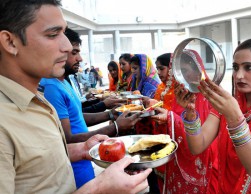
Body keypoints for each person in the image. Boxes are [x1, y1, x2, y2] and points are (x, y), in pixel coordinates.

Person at [0, 0, 151, 193]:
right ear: (10, 42)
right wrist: (99, 189)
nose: (66, 46)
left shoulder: (38, 99)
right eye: (53, 34)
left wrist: (81, 150)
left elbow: (34, 163)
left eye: (63, 33)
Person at [176, 38, 251, 193]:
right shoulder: (229, 104)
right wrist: (190, 113)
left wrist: (234, 118)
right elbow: (197, 146)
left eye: (249, 67)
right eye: (235, 67)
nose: (239, 75)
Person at [40, 28, 142, 188]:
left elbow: (78, 116)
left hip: (84, 160)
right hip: (74, 165)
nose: (79, 58)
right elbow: (66, 138)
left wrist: (109, 115)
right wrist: (115, 127)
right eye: (74, 52)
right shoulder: (51, 87)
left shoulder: (64, 82)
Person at [146, 51, 217, 193]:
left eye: (184, 70)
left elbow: (207, 137)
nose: (180, 76)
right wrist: (168, 118)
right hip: (177, 159)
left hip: (199, 162)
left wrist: (170, 118)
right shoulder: (182, 93)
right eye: (178, 71)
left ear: (198, 72)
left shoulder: (209, 97)